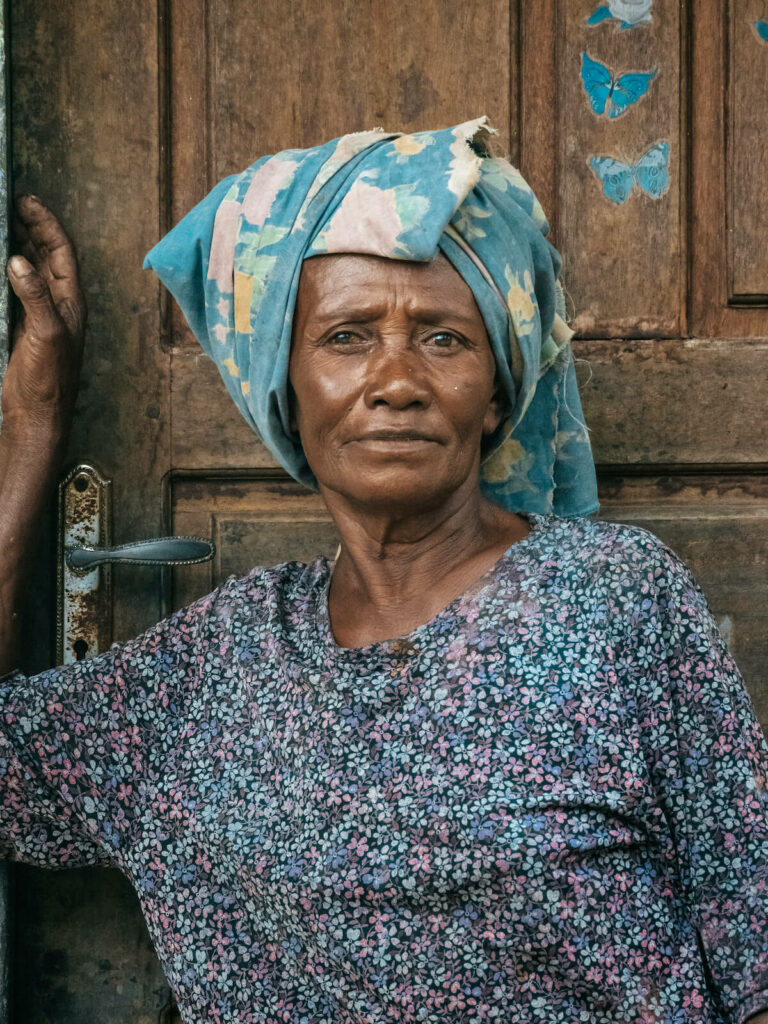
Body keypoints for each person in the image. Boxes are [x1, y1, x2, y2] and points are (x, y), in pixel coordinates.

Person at [0, 118, 767, 1024]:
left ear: (495, 395)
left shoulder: (613, 597)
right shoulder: (213, 670)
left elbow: (752, 936)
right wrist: (33, 426)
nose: (396, 379)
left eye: (443, 338)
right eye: (348, 337)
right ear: (286, 387)